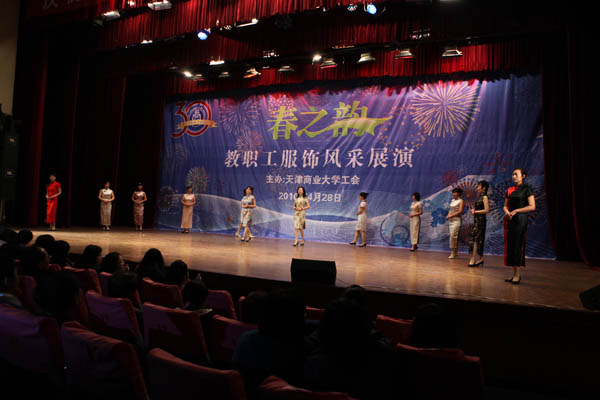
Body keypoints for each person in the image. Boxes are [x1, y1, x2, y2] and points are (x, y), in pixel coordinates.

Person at [503, 168, 535, 284]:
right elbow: (505, 206)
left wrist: (516, 210)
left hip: (521, 219)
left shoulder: (527, 189)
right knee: (511, 246)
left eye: (516, 174)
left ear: (523, 176)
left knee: (517, 245)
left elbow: (532, 206)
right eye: (513, 174)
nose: (514, 176)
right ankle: (514, 274)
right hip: (510, 219)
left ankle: (518, 275)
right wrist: (507, 212)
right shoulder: (509, 190)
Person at [468, 181, 490, 267]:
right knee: (479, 239)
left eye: (479, 186)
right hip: (477, 220)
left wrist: (475, 212)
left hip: (481, 221)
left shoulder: (485, 197)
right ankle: (480, 259)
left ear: (484, 188)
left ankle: (473, 258)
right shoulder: (479, 197)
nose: (477, 188)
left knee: (474, 238)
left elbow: (487, 210)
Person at [446, 188, 464, 259]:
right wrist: (448, 215)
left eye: (455, 193)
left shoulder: (461, 201)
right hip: (451, 220)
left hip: (456, 220)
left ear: (458, 193)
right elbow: (450, 210)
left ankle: (453, 252)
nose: (453, 194)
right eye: (453, 193)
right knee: (452, 236)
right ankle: (455, 252)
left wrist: (452, 215)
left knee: (453, 236)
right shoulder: (452, 200)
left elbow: (460, 211)